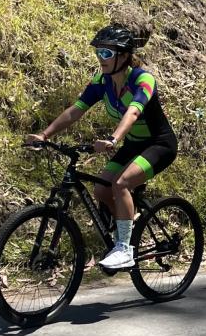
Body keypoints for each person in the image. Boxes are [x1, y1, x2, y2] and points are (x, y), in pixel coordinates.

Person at [26, 23, 178, 271]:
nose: (100, 58)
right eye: (98, 52)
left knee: (121, 183)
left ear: (124, 56)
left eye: (107, 53)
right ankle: (127, 230)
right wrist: (44, 135)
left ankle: (125, 249)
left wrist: (113, 139)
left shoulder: (142, 80)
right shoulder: (102, 82)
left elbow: (133, 112)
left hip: (159, 145)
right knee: (101, 189)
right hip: (133, 144)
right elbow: (75, 111)